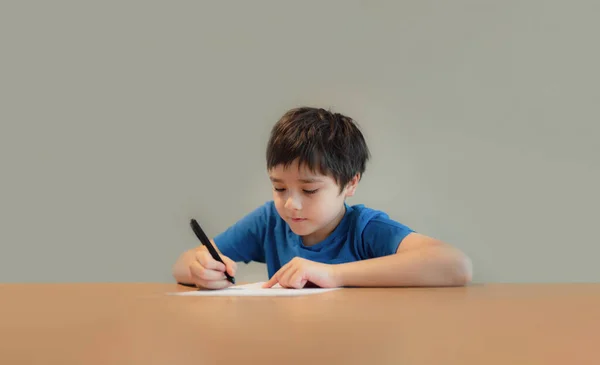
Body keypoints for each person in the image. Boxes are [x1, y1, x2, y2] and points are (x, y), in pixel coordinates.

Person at [172, 107, 472, 289]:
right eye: (279, 188)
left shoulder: (364, 229)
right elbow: (183, 263)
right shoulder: (270, 222)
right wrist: (201, 269)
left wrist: (334, 275)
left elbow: (455, 265)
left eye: (310, 190)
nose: (291, 204)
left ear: (350, 183)